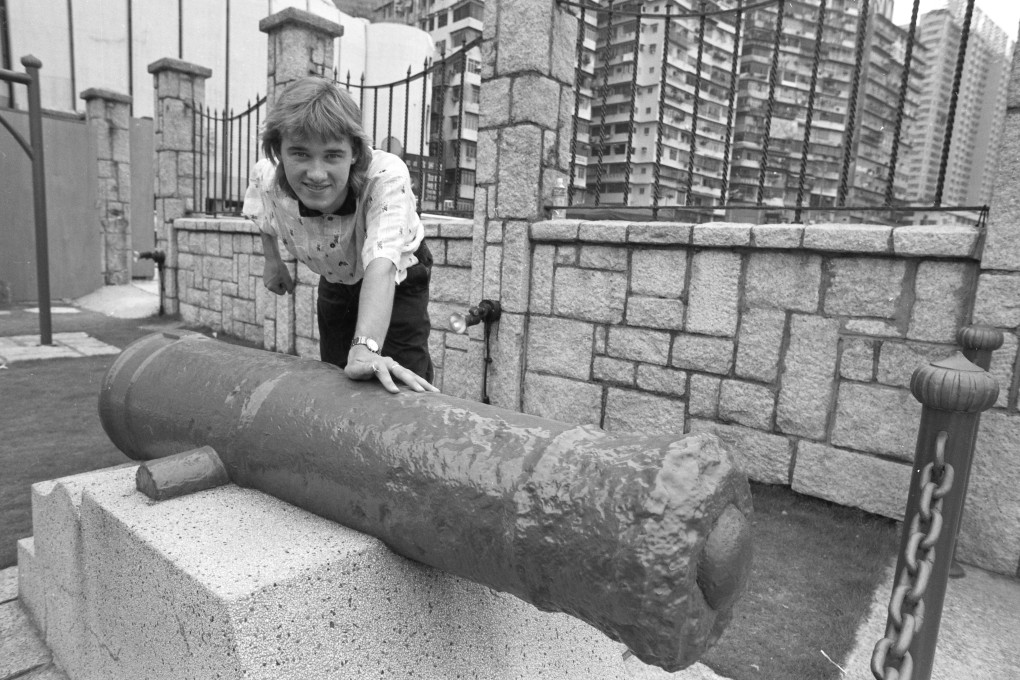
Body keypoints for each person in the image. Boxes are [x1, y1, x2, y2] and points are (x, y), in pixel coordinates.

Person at [242, 77, 437, 394]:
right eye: (300, 154)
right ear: (278, 151)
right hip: (335, 273)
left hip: (398, 274)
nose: (316, 174)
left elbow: (383, 263)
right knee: (336, 374)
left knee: (401, 378)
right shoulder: (267, 176)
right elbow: (262, 209)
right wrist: (272, 261)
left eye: (332, 155)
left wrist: (365, 347)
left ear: (355, 153)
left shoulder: (386, 176)